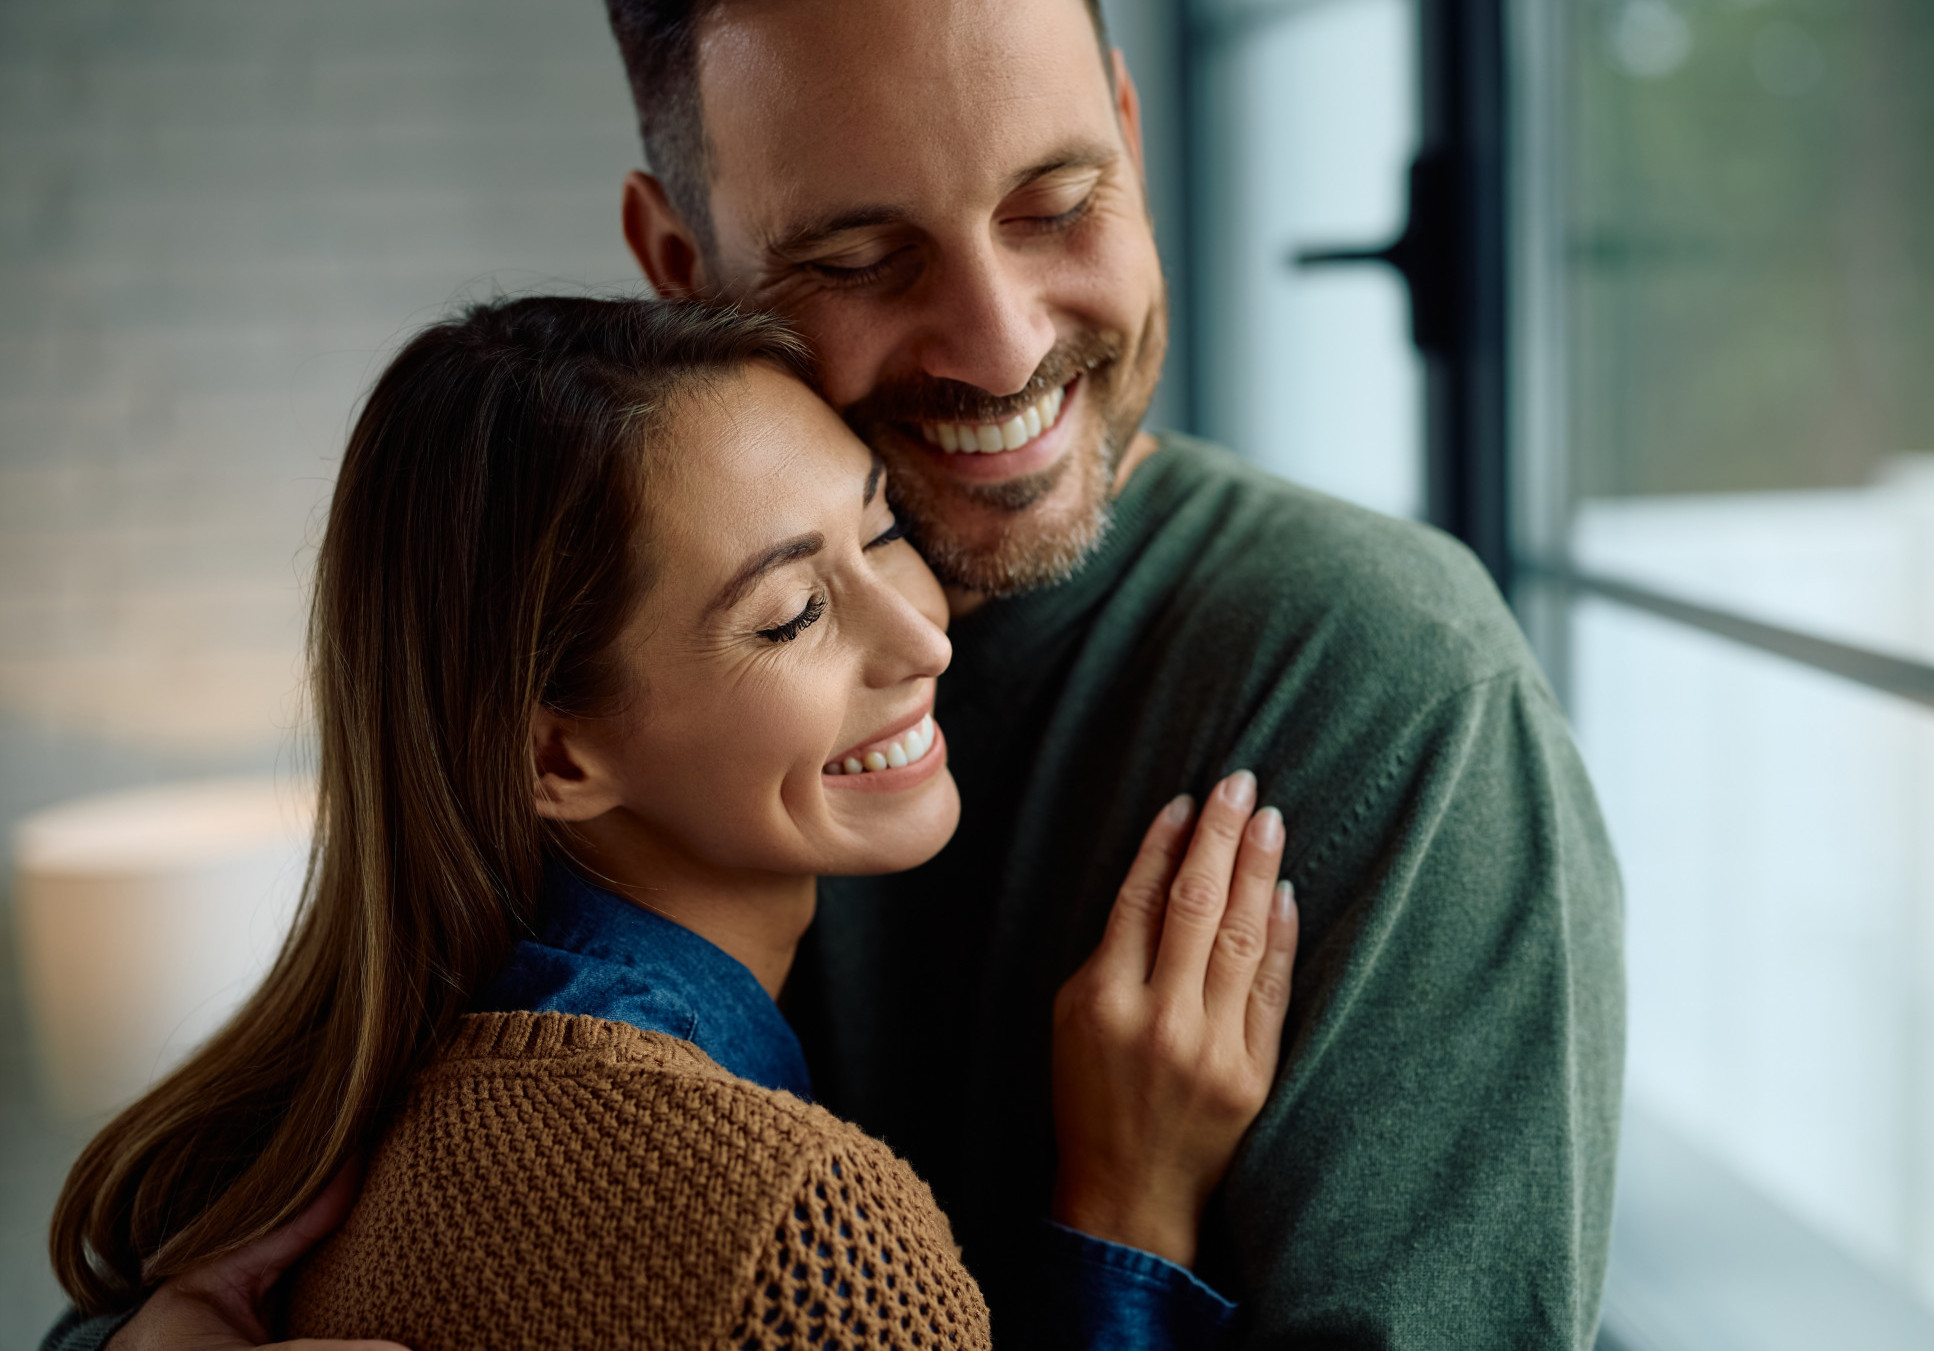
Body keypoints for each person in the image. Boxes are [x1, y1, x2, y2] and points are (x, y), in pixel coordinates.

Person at [58, 0, 1626, 1345]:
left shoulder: (1390, 691)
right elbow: (230, 1239)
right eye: (865, 257)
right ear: (683, 263)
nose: (1000, 344)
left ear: (1134, 138)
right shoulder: (562, 688)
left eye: (1056, 203)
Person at [46, 296, 1297, 1350]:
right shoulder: (790, 1227)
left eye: (881, 530)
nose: (921, 637)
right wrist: (1127, 1218)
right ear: (557, 753)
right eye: (792, 613)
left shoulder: (396, 1085)